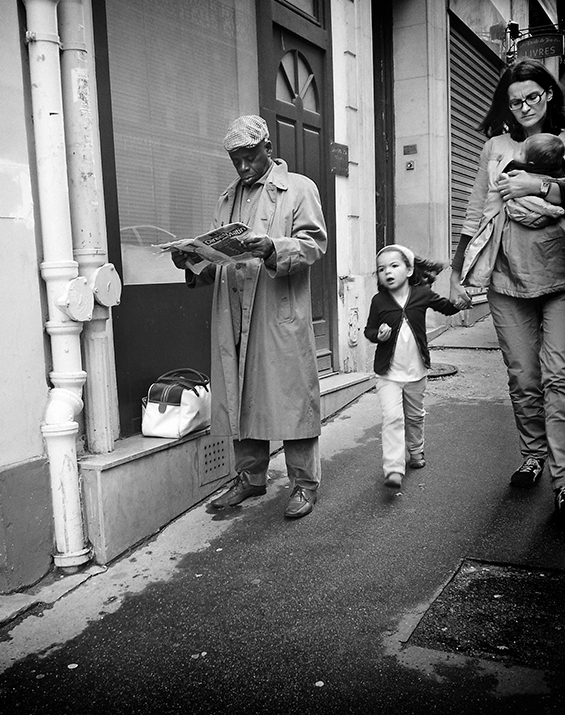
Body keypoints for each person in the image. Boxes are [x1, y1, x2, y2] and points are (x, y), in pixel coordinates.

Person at [171, 115, 328, 519]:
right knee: (240, 395)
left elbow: (314, 245)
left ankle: (304, 484)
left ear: (269, 150)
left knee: (293, 398)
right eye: (235, 160)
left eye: (248, 158)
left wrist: (272, 247)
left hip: (276, 309)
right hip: (233, 307)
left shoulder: (299, 189)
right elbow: (216, 257)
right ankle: (251, 478)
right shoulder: (228, 198)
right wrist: (191, 260)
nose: (242, 167)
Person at [449, 59, 565, 519]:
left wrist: (539, 184)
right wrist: (455, 265)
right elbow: (477, 204)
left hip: (559, 273)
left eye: (531, 97)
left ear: (549, 94)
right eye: (514, 101)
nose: (523, 107)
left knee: (559, 377)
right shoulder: (495, 146)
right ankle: (534, 454)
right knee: (523, 376)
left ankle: (564, 478)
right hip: (504, 272)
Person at [365, 245, 460, 489]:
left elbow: (447, 307)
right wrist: (379, 335)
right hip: (388, 374)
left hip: (416, 372)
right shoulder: (378, 301)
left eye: (394, 266)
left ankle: (416, 450)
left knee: (414, 416)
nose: (387, 272)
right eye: (381, 269)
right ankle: (394, 469)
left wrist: (460, 300)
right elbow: (369, 330)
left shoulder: (422, 293)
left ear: (408, 270)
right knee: (393, 418)